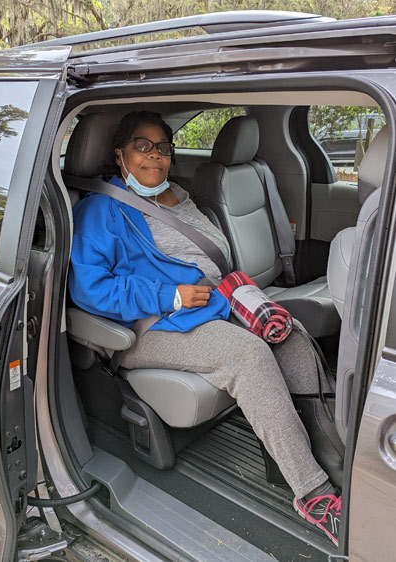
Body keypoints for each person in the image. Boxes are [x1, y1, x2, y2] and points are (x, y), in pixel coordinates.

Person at [69, 111, 342, 546]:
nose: (155, 156)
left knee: (290, 335)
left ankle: (336, 451)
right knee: (247, 355)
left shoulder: (177, 193)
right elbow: (89, 289)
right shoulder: (101, 210)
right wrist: (169, 295)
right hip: (151, 325)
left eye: (162, 147)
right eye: (143, 146)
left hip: (212, 305)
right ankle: (315, 494)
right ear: (120, 155)